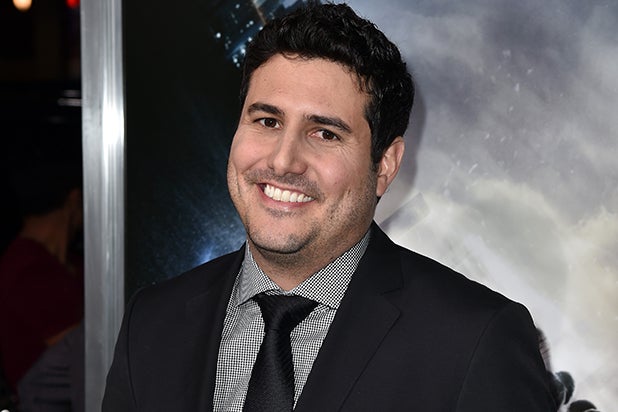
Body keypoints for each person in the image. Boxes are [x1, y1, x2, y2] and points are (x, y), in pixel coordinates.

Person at [102, 2, 554, 411]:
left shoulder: (475, 341)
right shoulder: (152, 322)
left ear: (385, 164)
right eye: (267, 121)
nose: (283, 160)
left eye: (325, 133)